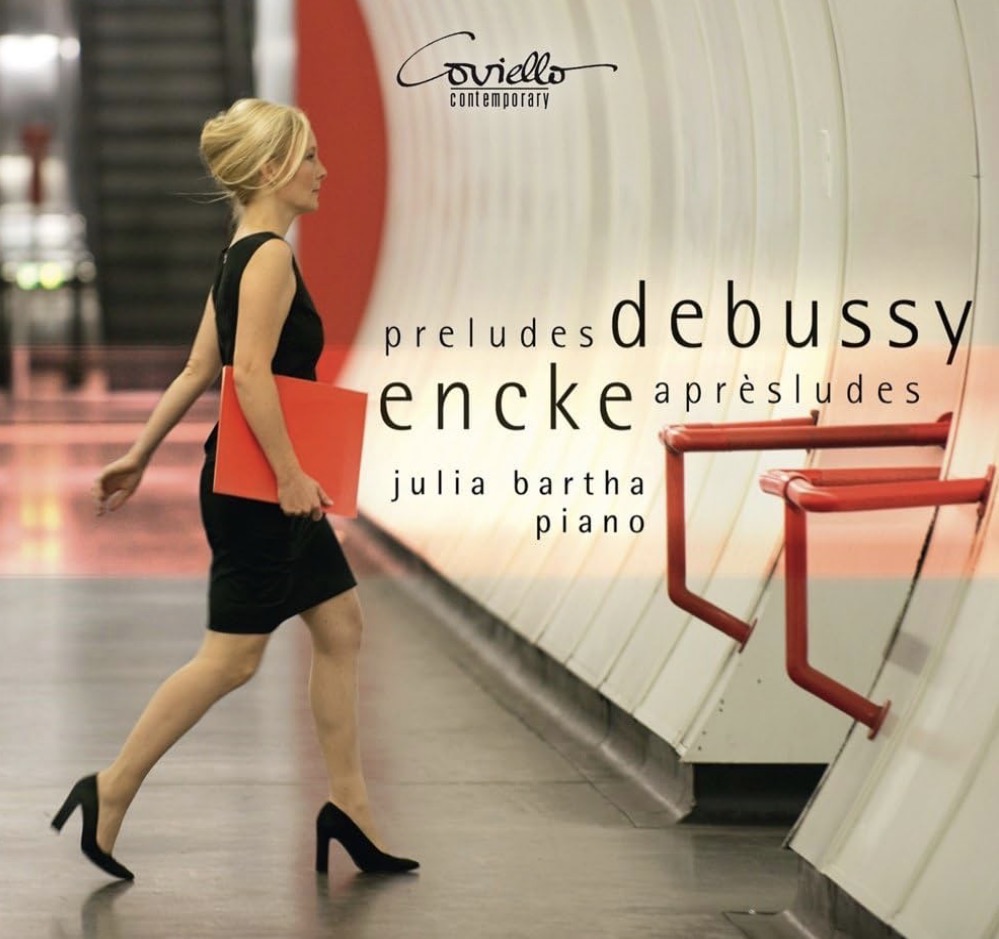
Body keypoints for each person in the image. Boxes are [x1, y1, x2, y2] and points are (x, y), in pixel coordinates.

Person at [51, 98, 418, 879]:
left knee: (340, 625)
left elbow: (198, 368)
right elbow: (245, 373)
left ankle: (349, 807)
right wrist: (289, 474)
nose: (322, 170)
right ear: (271, 168)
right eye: (309, 156)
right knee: (230, 659)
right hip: (262, 485)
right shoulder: (270, 258)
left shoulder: (239, 255)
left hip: (260, 479)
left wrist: (138, 454)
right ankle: (110, 787)